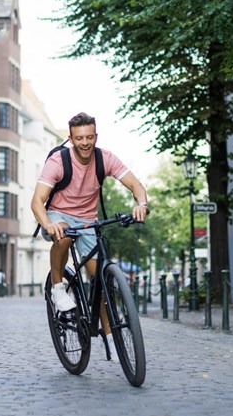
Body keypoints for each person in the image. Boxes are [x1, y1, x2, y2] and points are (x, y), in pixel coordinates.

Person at [31, 112, 149, 361]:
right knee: (62, 234)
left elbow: (137, 186)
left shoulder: (104, 158)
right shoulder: (57, 161)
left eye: (89, 137)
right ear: (71, 138)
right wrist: (48, 225)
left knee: (101, 280)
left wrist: (141, 204)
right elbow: (37, 202)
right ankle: (58, 287)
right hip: (57, 214)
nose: (85, 142)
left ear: (96, 136)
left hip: (88, 221)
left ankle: (110, 336)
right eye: (79, 138)